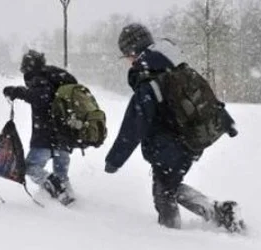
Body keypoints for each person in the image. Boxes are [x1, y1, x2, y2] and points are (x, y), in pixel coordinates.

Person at [104, 23, 244, 232]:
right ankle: (218, 213)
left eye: (127, 56)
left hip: (169, 147)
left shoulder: (149, 81)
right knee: (170, 186)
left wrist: (114, 160)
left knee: (163, 194)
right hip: (191, 139)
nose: (128, 61)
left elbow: (133, 127)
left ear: (133, 52)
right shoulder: (178, 68)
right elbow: (206, 98)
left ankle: (171, 237)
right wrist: (226, 121)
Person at [2, 50, 77, 205]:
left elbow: (41, 97)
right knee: (61, 174)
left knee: (30, 167)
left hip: (46, 136)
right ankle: (70, 201)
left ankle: (58, 191)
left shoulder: (40, 78)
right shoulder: (56, 77)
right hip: (65, 136)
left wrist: (17, 91)